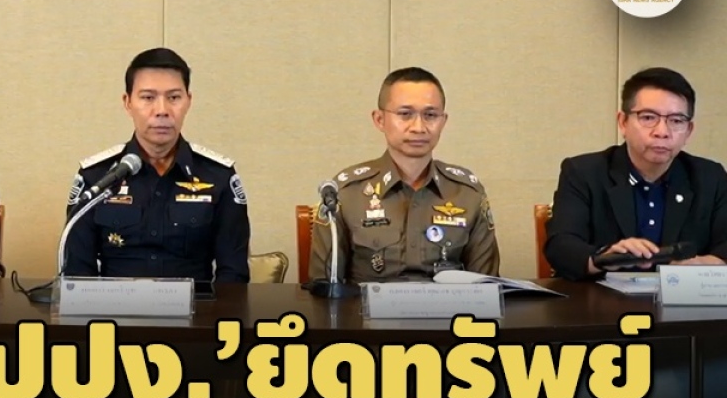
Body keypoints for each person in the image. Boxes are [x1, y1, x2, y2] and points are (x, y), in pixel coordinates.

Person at [61, 47, 250, 283]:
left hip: (195, 306)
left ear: (188, 101)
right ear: (128, 102)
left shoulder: (219, 176)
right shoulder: (97, 177)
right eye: (148, 97)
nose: (162, 111)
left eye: (174, 98)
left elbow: (233, 275)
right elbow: (77, 274)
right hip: (113, 305)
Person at [309, 67, 499, 283]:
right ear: (379, 119)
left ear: (443, 121)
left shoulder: (466, 193)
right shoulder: (346, 194)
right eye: (405, 114)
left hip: (449, 305)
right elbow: (324, 287)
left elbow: (487, 286)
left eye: (430, 115)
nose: (418, 127)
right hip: (365, 305)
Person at [545, 67, 727, 281]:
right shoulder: (583, 172)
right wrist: (604, 258)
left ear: (689, 131)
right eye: (648, 117)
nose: (662, 132)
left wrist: (712, 263)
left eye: (676, 121)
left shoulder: (710, 177)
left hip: (682, 298)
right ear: (623, 122)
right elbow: (561, 245)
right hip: (600, 298)